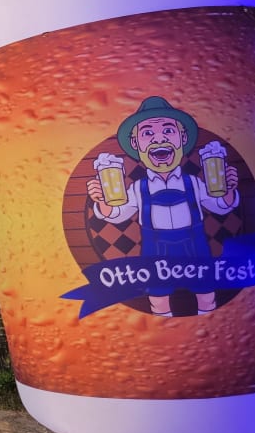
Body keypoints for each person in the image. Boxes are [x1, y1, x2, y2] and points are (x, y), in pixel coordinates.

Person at [87, 96, 240, 317]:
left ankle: (209, 327)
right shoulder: (138, 188)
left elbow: (220, 207)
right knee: (159, 302)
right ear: (136, 145)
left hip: (195, 247)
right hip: (155, 250)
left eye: (168, 130)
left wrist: (230, 190)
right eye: (147, 133)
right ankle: (165, 329)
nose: (159, 138)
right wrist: (101, 200)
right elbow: (118, 214)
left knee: (207, 297)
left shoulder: (194, 182)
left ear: (182, 139)